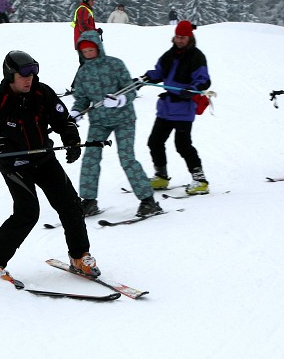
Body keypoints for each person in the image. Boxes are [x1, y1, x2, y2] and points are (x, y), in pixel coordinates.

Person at [0, 50, 99, 283]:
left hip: (44, 158)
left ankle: (79, 256)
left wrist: (71, 141)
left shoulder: (43, 93)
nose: (30, 78)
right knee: (27, 212)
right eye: (24, 73)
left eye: (34, 71)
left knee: (70, 204)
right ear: (10, 75)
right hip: (14, 163)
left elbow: (64, 121)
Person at [71, 30, 162, 217]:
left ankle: (148, 201)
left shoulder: (115, 64)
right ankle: (89, 201)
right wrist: (76, 111)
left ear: (98, 47)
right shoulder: (83, 72)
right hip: (98, 122)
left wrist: (120, 100)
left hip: (124, 119)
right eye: (84, 51)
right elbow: (81, 98)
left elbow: (130, 91)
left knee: (126, 158)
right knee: (90, 158)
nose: (88, 54)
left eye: (91, 50)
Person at [144, 20, 212, 195]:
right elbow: (159, 72)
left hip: (183, 107)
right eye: (177, 37)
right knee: (155, 141)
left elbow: (203, 79)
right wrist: (145, 78)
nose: (179, 40)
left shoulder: (196, 57)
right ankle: (161, 176)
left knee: (182, 145)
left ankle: (200, 180)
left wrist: (193, 90)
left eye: (183, 37)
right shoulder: (169, 55)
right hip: (166, 107)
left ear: (190, 38)